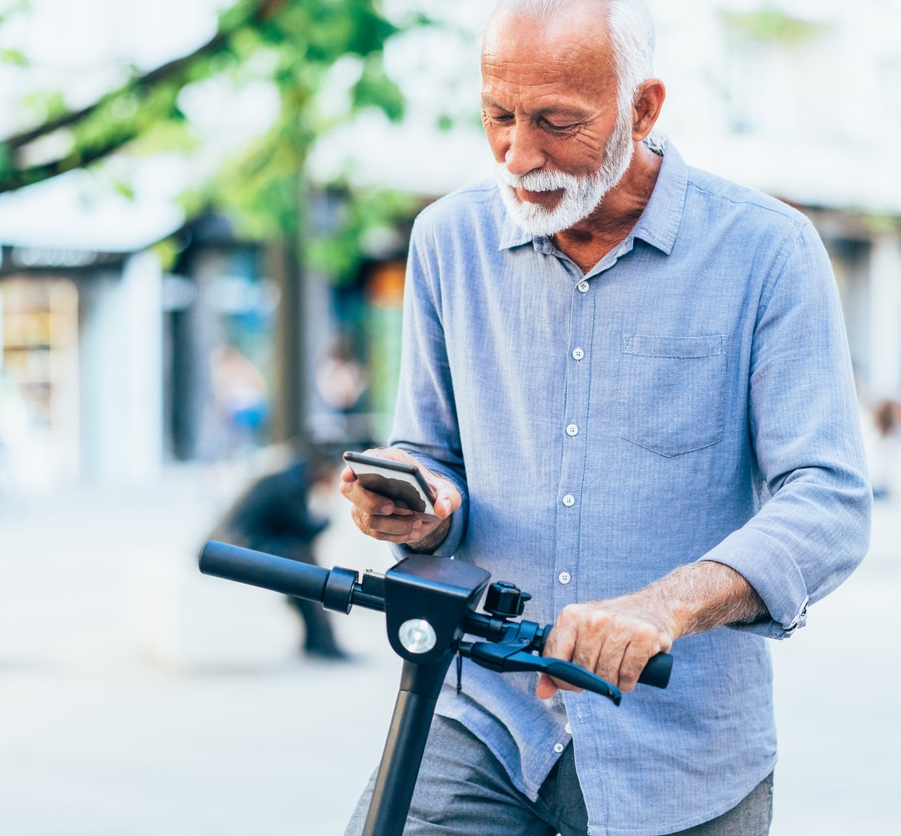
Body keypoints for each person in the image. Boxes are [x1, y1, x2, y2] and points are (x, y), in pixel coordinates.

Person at [337, 1, 872, 834]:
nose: (519, 155)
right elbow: (429, 450)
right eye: (498, 116)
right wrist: (417, 504)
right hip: (482, 715)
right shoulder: (447, 240)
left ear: (644, 107)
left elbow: (827, 501)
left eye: (556, 122)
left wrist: (666, 607)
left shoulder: (769, 252)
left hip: (681, 746)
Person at [211, 446, 350, 661]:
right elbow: (306, 529)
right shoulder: (289, 486)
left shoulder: (288, 478)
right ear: (321, 469)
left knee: (303, 562)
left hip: (234, 542)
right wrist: (329, 505)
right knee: (306, 565)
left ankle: (317, 640)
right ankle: (323, 642)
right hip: (232, 547)